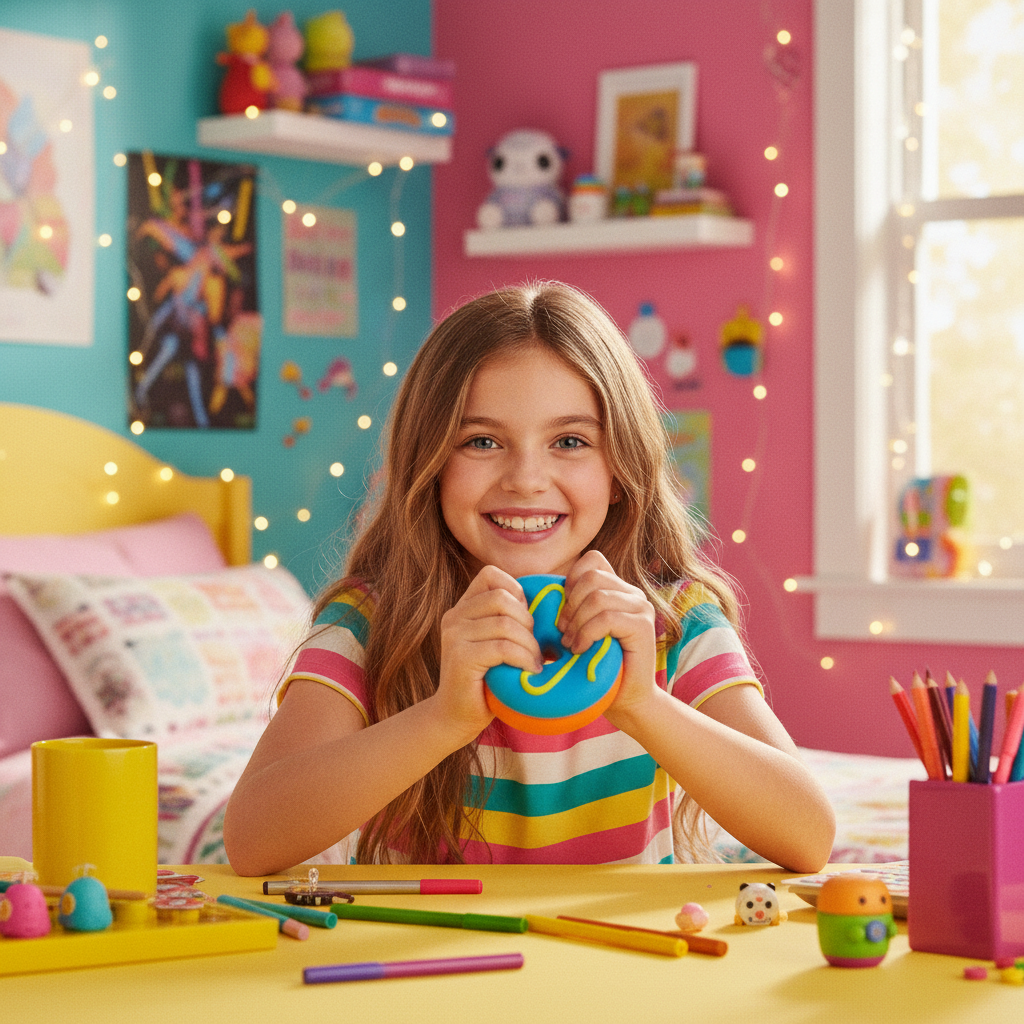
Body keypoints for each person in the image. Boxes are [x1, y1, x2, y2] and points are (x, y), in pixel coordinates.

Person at [224, 282, 835, 875]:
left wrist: (643, 704)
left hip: (626, 968)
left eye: (569, 441)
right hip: (429, 966)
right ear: (430, 463)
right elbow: (253, 841)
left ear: (619, 467)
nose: (526, 478)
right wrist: (444, 718)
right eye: (482, 440)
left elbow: (808, 837)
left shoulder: (671, 619)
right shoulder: (373, 622)